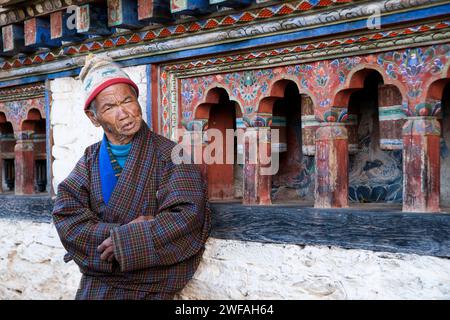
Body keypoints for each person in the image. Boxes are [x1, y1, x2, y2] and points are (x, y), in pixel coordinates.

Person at [52, 54, 211, 300]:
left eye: (128, 100)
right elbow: (68, 220)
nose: (124, 113)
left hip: (151, 288)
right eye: (109, 107)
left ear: (137, 101)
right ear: (94, 118)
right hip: (97, 289)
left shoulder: (172, 154)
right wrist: (124, 235)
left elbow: (187, 217)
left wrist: (126, 243)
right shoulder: (89, 160)